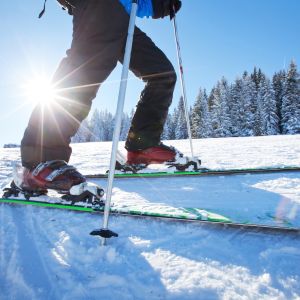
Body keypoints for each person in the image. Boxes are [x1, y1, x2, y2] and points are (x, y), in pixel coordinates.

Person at [19, 0, 182, 193]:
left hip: (122, 14)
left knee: (162, 74)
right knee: (84, 71)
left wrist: (159, 5)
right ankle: (40, 161)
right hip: (98, 6)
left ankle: (142, 146)